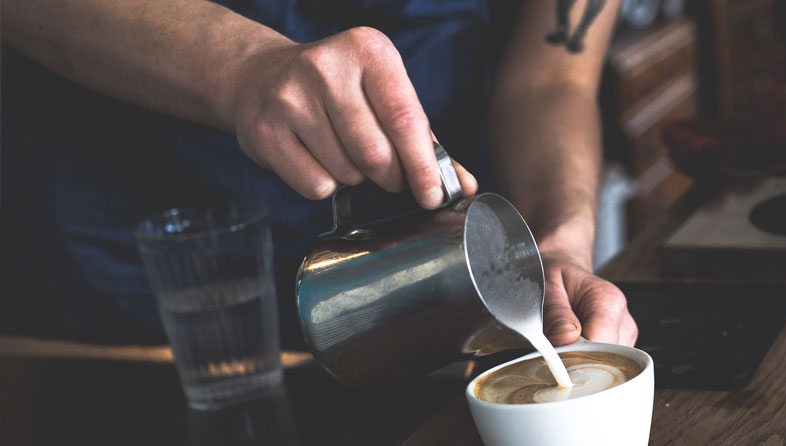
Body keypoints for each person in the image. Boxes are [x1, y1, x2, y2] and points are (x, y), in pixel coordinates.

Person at [0, 0, 637, 347]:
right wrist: (238, 66)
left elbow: (554, 72)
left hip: (432, 282)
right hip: (135, 273)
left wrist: (556, 240)